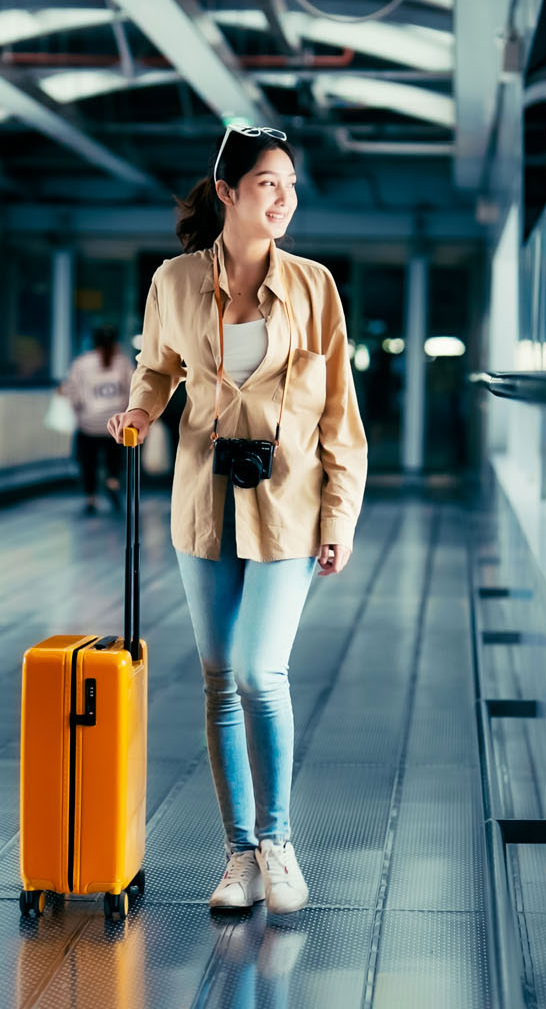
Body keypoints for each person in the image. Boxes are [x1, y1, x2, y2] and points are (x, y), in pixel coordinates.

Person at [106, 125, 367, 916]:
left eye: (289, 184)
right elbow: (158, 365)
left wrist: (340, 515)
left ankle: (281, 843)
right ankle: (240, 855)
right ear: (227, 191)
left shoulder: (315, 287)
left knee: (261, 671)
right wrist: (142, 410)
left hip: (288, 505)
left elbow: (340, 412)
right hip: (203, 502)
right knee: (220, 681)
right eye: (266, 183)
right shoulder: (175, 281)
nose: (284, 197)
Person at [60, 324, 133, 515]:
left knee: (88, 461)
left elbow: (72, 393)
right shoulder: (124, 363)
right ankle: (112, 480)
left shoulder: (81, 363)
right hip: (116, 423)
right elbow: (133, 390)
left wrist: (77, 408)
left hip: (88, 424)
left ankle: (90, 498)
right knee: (114, 457)